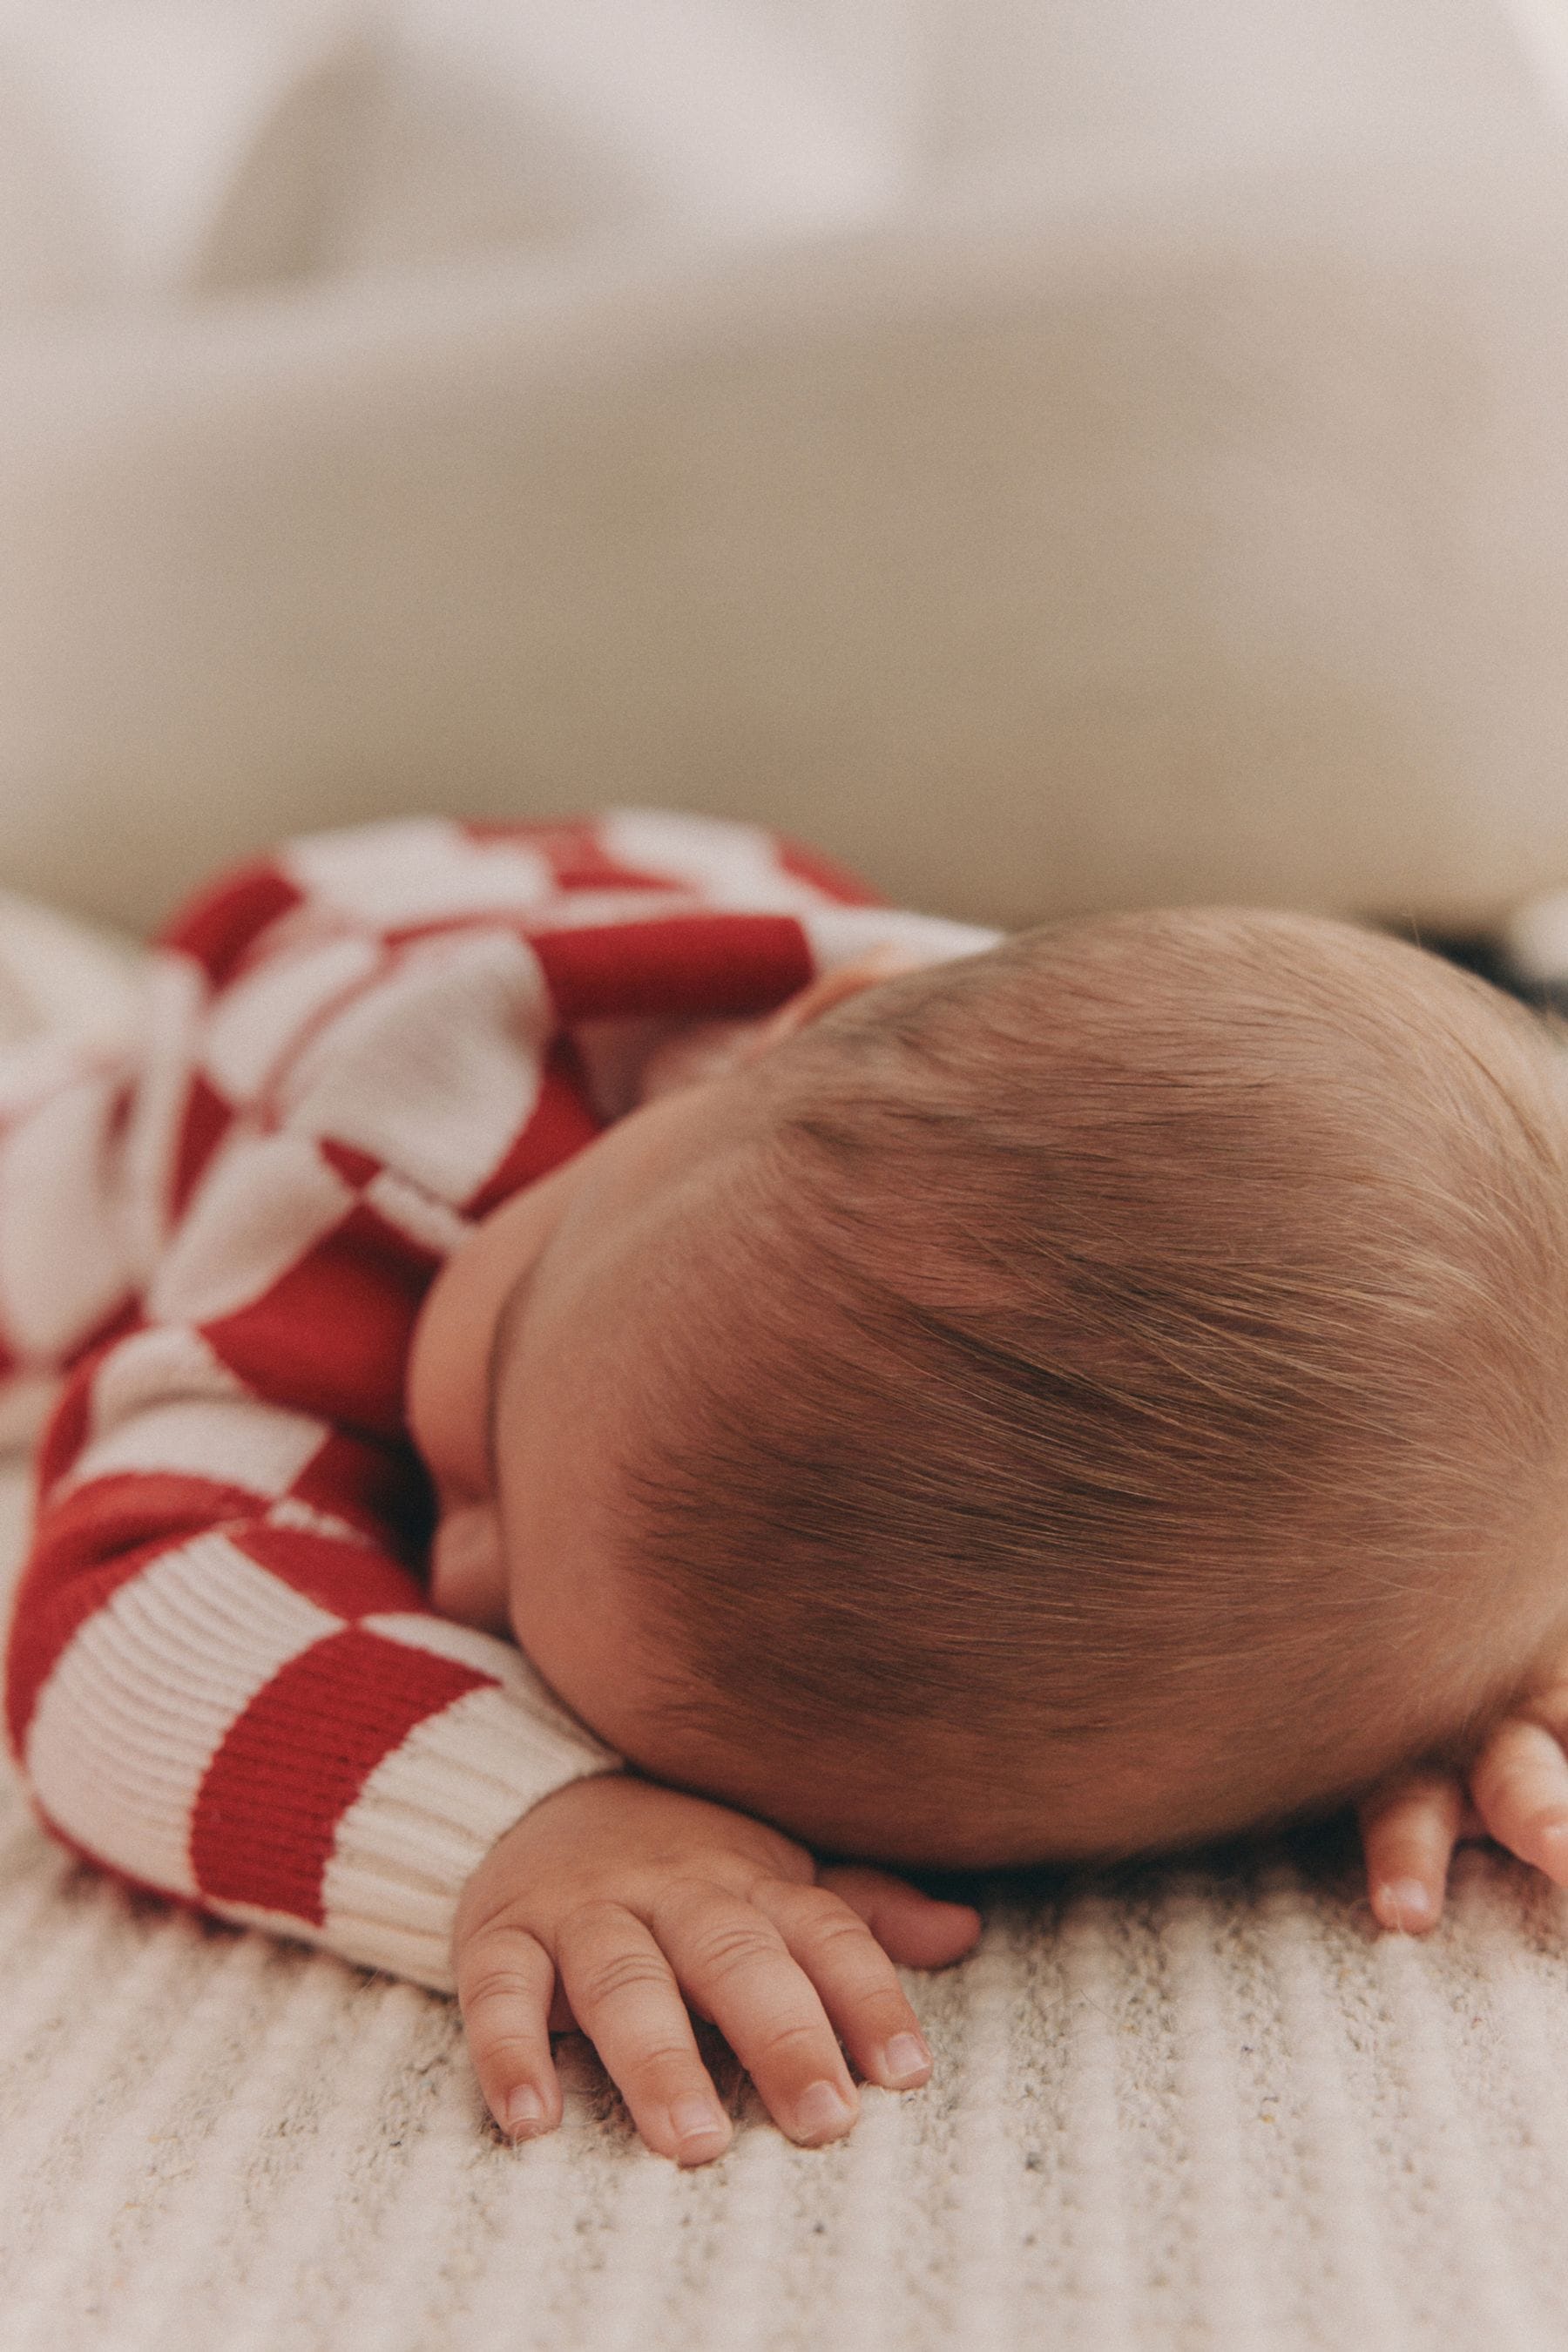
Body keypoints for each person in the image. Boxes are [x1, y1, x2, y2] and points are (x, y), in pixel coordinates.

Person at [6, 809, 1568, 2172]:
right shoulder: (389, 1163)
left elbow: (1448, 1428)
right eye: (483, 1438)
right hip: (294, 981)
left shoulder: (1020, 1132)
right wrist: (530, 1815)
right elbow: (116, 1621)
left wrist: (1463, 1671)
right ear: (805, 1021)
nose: (450, 1585)